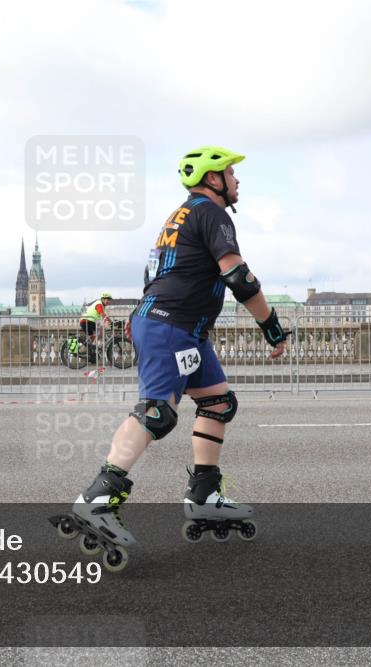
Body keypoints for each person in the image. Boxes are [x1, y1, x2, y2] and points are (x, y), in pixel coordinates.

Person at [72, 146, 289, 544]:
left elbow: (156, 272)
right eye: (230, 173)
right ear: (213, 179)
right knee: (157, 412)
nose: (237, 180)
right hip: (171, 325)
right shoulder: (211, 213)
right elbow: (240, 279)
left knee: (218, 402)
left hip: (181, 327)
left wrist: (142, 317)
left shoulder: (177, 216)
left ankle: (204, 493)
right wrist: (271, 327)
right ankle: (99, 497)